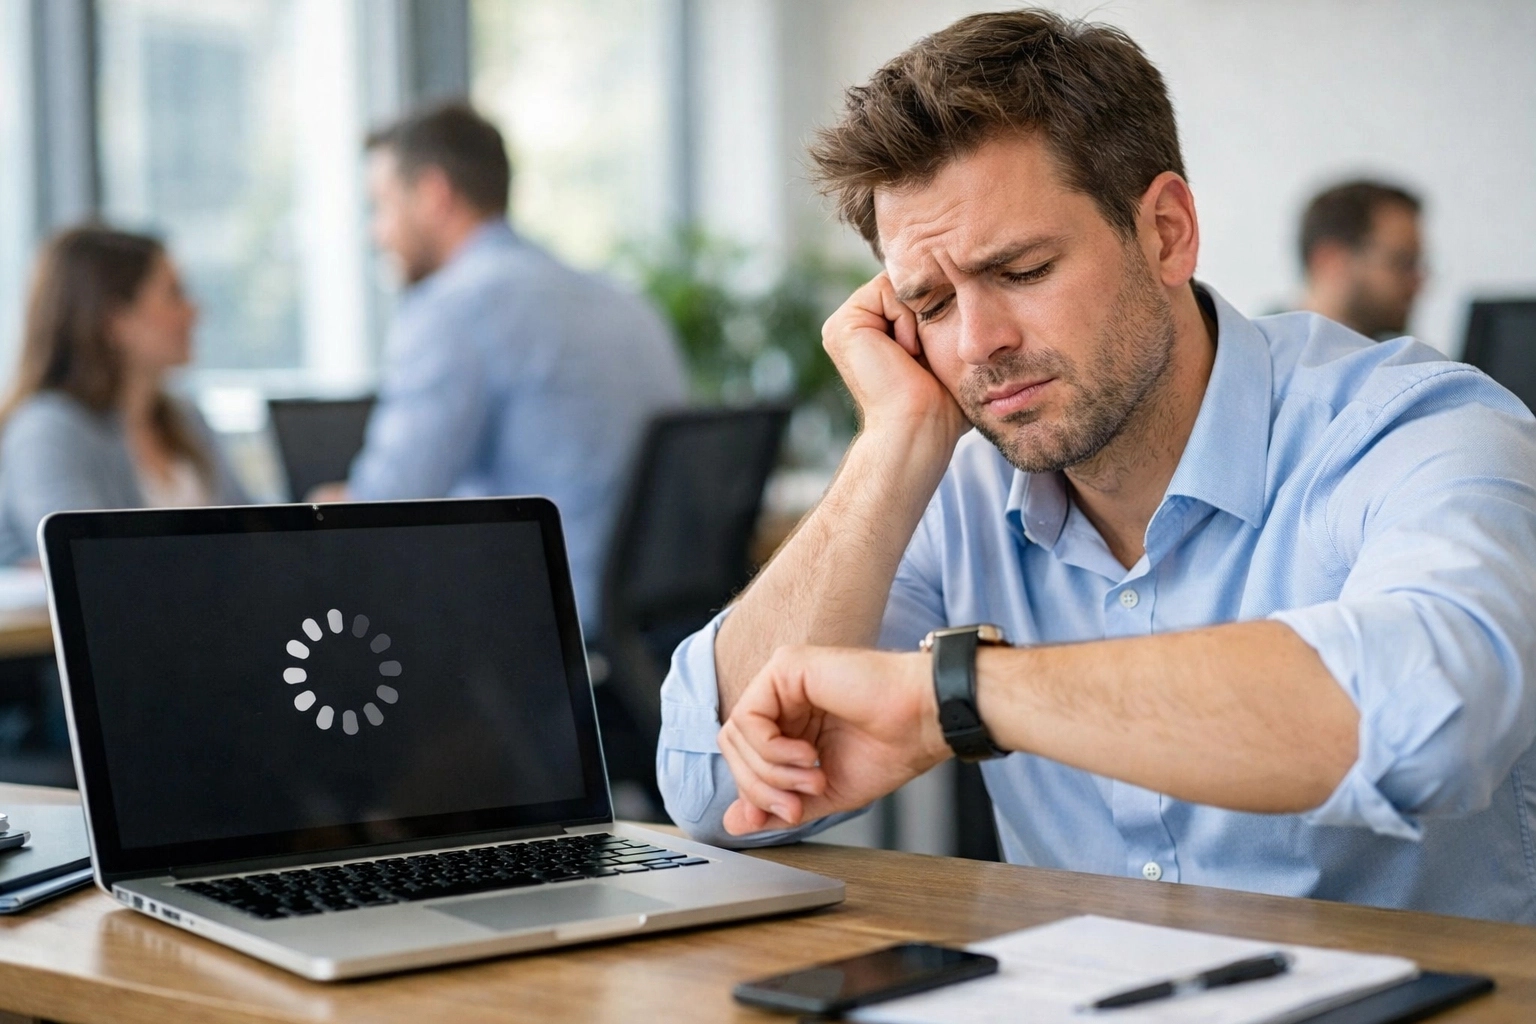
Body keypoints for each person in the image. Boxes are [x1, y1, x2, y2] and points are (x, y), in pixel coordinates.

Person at [656, 10, 1536, 923]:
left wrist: (959, 698)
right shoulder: (957, 485)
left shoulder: (1415, 426)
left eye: (1024, 270)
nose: (979, 344)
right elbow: (715, 790)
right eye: (931, 301)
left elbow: (1438, 713)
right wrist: (892, 443)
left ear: (1164, 231)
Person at [326, 102, 687, 629]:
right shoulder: (625, 301)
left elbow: (383, 509)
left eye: (380, 206)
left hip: (542, 621)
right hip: (660, 627)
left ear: (432, 194)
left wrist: (328, 502)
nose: (374, 233)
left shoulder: (452, 309)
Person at [0, 226, 246, 564]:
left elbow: (252, 531)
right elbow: (89, 564)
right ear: (115, 320)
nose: (194, 311)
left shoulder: (184, 417)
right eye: (174, 294)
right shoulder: (48, 428)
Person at [1297, 180, 1424, 340]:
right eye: (1402, 263)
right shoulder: (1261, 358)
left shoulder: (1409, 359)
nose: (1418, 283)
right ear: (1331, 263)